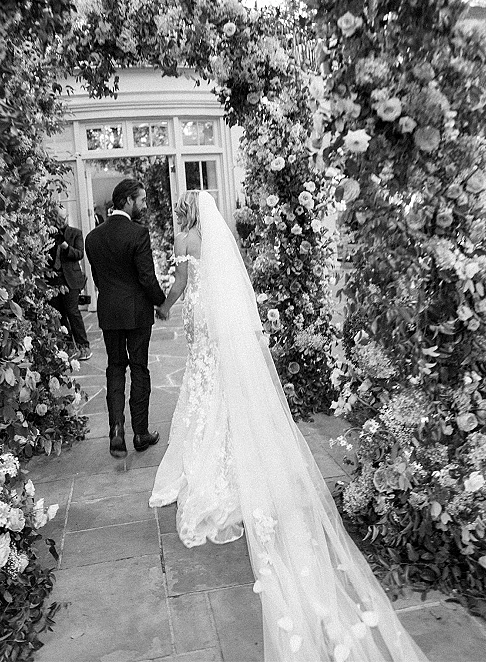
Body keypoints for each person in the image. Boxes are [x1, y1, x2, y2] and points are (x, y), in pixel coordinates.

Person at [150, 191, 428, 662]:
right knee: (216, 398)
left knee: (201, 400)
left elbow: (181, 286)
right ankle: (232, 465)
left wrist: (166, 307)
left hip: (202, 328)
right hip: (222, 330)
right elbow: (224, 288)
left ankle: (205, 472)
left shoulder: (183, 239)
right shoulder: (217, 241)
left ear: (186, 214)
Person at [85, 178, 166, 460]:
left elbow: (98, 279)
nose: (143, 205)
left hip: (110, 311)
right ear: (128, 200)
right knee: (140, 369)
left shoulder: (92, 237)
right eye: (141, 200)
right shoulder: (138, 233)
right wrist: (162, 302)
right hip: (137, 312)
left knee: (115, 367)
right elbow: (147, 277)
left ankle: (116, 428)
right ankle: (140, 434)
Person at [48, 204, 92, 362]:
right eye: (58, 218)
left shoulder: (75, 233)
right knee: (59, 315)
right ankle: (67, 347)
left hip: (71, 280)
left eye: (63, 218)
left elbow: (79, 254)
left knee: (73, 311)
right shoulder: (48, 234)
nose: (61, 221)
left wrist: (65, 246)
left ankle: (83, 346)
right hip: (54, 280)